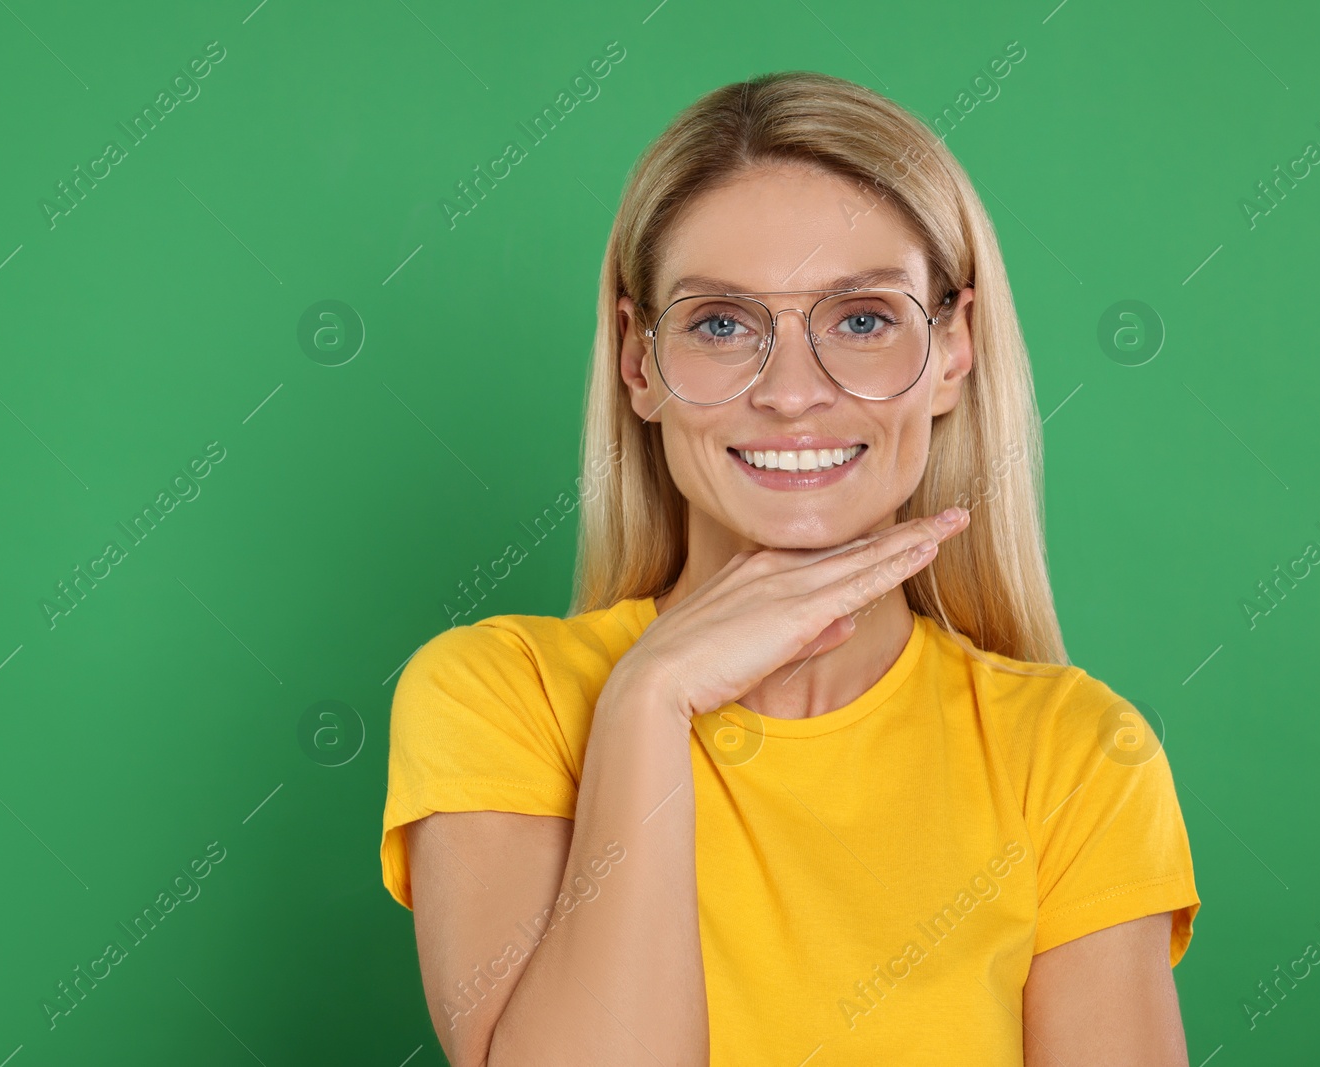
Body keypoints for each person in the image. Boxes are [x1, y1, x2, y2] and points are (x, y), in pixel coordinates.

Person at [379, 70, 1199, 1066]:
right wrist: (649, 698)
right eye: (723, 324)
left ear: (952, 351)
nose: (793, 392)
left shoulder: (1074, 754)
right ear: (640, 362)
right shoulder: (497, 697)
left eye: (860, 318)